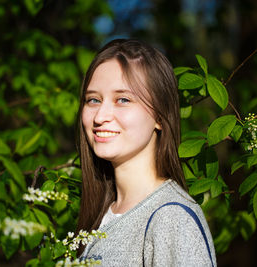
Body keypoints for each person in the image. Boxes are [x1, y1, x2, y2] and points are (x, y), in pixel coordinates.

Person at [76, 39, 216, 266]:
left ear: (160, 116)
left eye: (123, 99)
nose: (100, 116)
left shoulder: (172, 219)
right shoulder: (102, 216)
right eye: (93, 100)